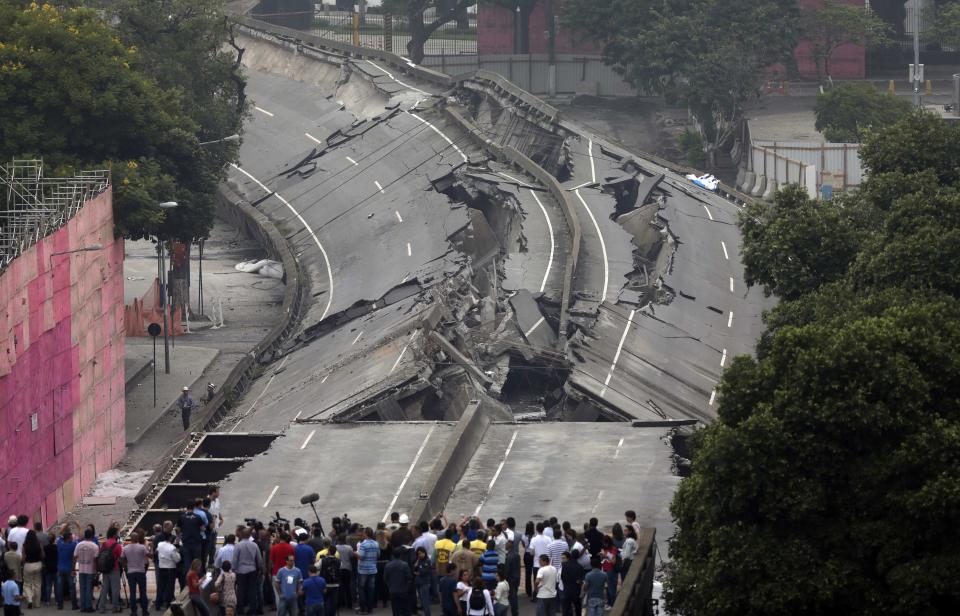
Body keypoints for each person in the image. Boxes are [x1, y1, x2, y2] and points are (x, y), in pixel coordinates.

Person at [234, 528, 264, 616]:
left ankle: (241, 611)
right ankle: (253, 611)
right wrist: (261, 569)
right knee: (252, 591)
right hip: (252, 570)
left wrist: (233, 569)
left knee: (240, 591)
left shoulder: (238, 546)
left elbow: (234, 560)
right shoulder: (254, 545)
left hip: (240, 571)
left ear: (242, 535)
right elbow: (259, 559)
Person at [122, 530, 150, 616]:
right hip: (141, 571)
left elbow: (121, 558)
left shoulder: (125, 548)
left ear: (131, 539)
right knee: (143, 592)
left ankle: (134, 611)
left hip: (130, 571)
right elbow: (149, 555)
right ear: (137, 538)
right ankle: (144, 611)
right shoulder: (142, 547)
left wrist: (126, 564)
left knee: (132, 592)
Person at [97, 527, 123, 614]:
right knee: (115, 588)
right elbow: (121, 557)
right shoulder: (117, 545)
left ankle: (101, 607)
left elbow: (100, 554)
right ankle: (115, 607)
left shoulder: (104, 544)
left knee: (105, 588)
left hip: (105, 569)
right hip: (114, 568)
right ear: (114, 534)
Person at [74, 529, 99, 613]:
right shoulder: (95, 546)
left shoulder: (79, 545)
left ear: (85, 536)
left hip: (81, 569)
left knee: (82, 588)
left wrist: (73, 568)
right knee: (89, 589)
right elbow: (95, 559)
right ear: (92, 536)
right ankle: (88, 606)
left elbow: (74, 557)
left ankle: (82, 606)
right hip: (90, 570)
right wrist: (96, 570)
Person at [155, 531, 181, 611]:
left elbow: (157, 551)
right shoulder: (172, 548)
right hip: (170, 569)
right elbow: (177, 559)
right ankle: (167, 604)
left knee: (160, 587)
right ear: (170, 538)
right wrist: (178, 552)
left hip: (161, 568)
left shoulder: (160, 544)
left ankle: (158, 604)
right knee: (169, 587)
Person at [356, 528, 378, 615]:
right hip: (373, 569)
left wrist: (355, 553)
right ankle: (370, 607)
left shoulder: (363, 544)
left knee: (361, 589)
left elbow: (361, 556)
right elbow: (378, 554)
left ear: (366, 534)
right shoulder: (376, 543)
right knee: (370, 589)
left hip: (363, 570)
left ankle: (363, 608)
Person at [55, 530, 79, 611]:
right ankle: (74, 605)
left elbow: (60, 534)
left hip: (60, 568)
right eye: (71, 537)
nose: (72, 538)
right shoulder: (73, 545)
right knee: (72, 588)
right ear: (69, 538)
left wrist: (65, 526)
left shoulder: (59, 543)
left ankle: (60, 605)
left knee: (59, 588)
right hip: (69, 569)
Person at [21, 531, 42, 609]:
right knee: (37, 584)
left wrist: (23, 563)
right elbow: (42, 554)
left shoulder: (25, 545)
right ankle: (37, 603)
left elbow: (23, 557)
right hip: (38, 564)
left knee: (27, 584)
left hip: (28, 565)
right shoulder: (38, 544)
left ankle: (29, 600)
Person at [412, 547, 433, 616]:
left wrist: (418, 571)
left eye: (421, 553)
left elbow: (423, 572)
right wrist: (417, 562)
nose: (420, 555)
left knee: (425, 602)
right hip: (418, 583)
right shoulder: (418, 560)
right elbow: (414, 569)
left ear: (425, 553)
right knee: (421, 602)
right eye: (418, 554)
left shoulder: (427, 561)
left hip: (425, 584)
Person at [599, 538, 618, 609]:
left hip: (611, 570)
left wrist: (606, 556)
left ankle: (613, 604)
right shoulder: (604, 548)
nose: (604, 545)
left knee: (611, 588)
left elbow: (613, 562)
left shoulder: (613, 549)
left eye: (605, 543)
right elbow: (602, 559)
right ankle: (609, 602)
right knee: (607, 587)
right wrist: (602, 556)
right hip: (604, 569)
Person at [503, 542, 520, 616]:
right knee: (514, 595)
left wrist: (505, 579)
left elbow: (507, 569)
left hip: (510, 579)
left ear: (508, 547)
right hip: (517, 578)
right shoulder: (517, 555)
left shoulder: (508, 557)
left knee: (512, 597)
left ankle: (514, 612)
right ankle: (515, 611)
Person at [41, 534, 57, 606]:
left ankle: (47, 601)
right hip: (55, 567)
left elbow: (43, 557)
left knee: (48, 585)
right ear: (54, 539)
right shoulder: (56, 547)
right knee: (56, 585)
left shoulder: (45, 547)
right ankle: (57, 600)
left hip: (47, 567)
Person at [520, 523, 534, 599]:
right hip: (533, 555)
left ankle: (528, 591)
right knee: (535, 573)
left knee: (527, 574)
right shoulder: (534, 537)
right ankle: (535, 590)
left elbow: (523, 546)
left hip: (526, 555)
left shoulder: (524, 537)